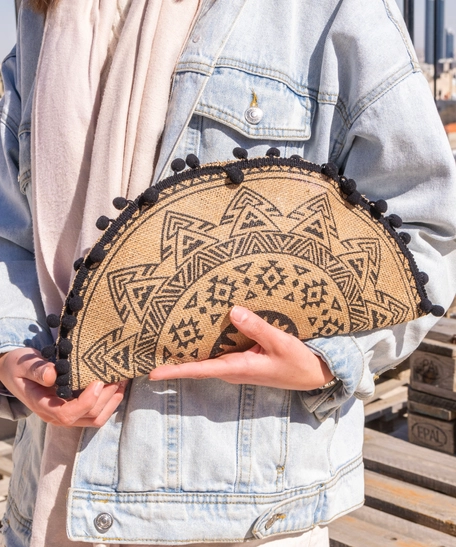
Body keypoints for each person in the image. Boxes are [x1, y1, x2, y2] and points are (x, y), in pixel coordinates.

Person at [0, 0, 455, 546]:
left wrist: (325, 362)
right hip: (49, 502)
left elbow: (428, 229)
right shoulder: (44, 18)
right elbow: (11, 234)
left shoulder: (328, 11)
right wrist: (13, 356)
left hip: (241, 519)